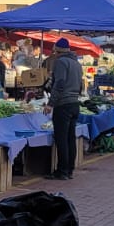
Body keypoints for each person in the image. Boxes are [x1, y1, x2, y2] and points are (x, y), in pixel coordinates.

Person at [46, 38, 82, 180]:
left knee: (61, 139)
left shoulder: (61, 62)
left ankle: (62, 171)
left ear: (57, 50)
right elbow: (80, 85)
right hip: (75, 104)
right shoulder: (76, 63)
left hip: (63, 104)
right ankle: (70, 169)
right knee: (70, 138)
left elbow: (59, 84)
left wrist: (50, 103)